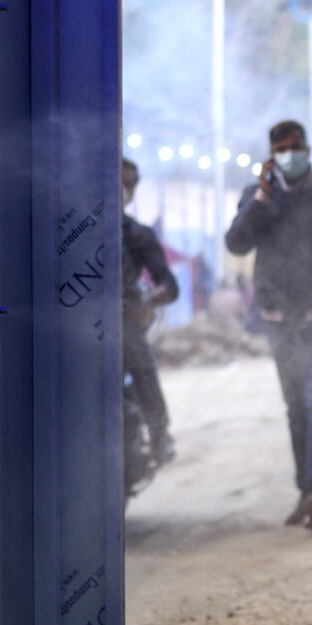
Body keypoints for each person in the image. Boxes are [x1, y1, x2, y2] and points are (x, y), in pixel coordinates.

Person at [225, 120, 312, 530]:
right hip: (278, 320)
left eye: (296, 146)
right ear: (271, 155)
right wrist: (263, 198)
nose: (291, 153)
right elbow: (236, 243)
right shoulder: (257, 197)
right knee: (294, 407)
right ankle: (308, 491)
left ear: (308, 148)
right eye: (282, 148)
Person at [122, 158, 179, 464]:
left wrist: (145, 302)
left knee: (142, 367)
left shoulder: (137, 234)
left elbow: (169, 285)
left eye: (128, 183)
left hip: (123, 324)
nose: (121, 188)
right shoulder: (72, 229)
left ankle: (159, 435)